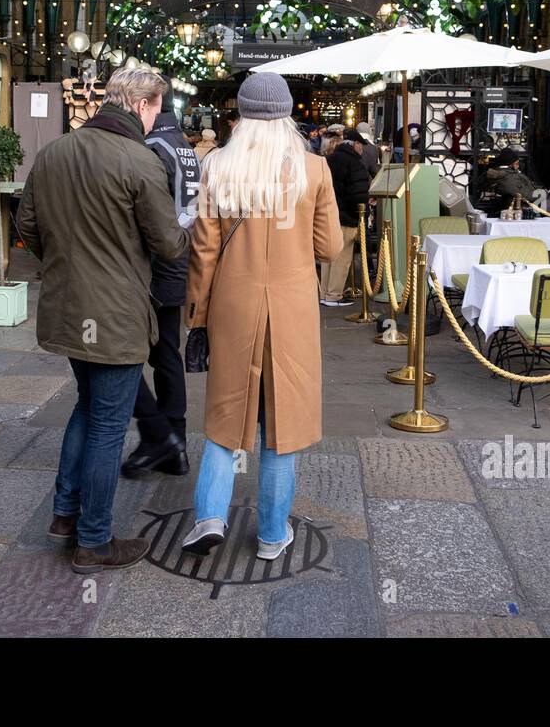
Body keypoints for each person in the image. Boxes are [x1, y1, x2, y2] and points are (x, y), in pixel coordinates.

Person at [18, 67, 190, 573]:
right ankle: (94, 540)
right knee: (108, 425)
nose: (158, 117)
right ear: (141, 105)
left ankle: (66, 515)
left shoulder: (55, 151)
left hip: (66, 308)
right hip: (115, 313)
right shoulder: (138, 160)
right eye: (157, 107)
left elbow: (26, 226)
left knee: (88, 406)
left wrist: (66, 260)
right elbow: (168, 243)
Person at [181, 71, 341, 560]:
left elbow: (204, 253)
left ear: (241, 115)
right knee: (281, 421)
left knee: (227, 412)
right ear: (287, 114)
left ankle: (210, 515)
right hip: (291, 305)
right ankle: (273, 535)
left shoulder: (218, 167)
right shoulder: (314, 170)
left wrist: (197, 318)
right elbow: (330, 247)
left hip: (234, 301)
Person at [122, 98, 200, 480]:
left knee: (119, 352)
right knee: (167, 352)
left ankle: (157, 433)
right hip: (179, 261)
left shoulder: (152, 147)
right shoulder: (182, 145)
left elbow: (147, 212)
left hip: (156, 264)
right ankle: (175, 444)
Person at [321, 127, 372, 305]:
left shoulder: (329, 159)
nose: (362, 149)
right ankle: (334, 295)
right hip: (347, 217)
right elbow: (357, 195)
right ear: (355, 144)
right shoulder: (355, 163)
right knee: (342, 258)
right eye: (361, 145)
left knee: (328, 257)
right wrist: (363, 213)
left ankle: (324, 293)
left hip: (329, 214)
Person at [485, 149, 550, 218]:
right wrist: (544, 193)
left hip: (530, 201)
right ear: (510, 164)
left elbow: (527, 188)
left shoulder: (509, 174)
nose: (518, 165)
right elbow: (526, 195)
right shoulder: (507, 178)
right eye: (516, 163)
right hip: (526, 207)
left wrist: (545, 192)